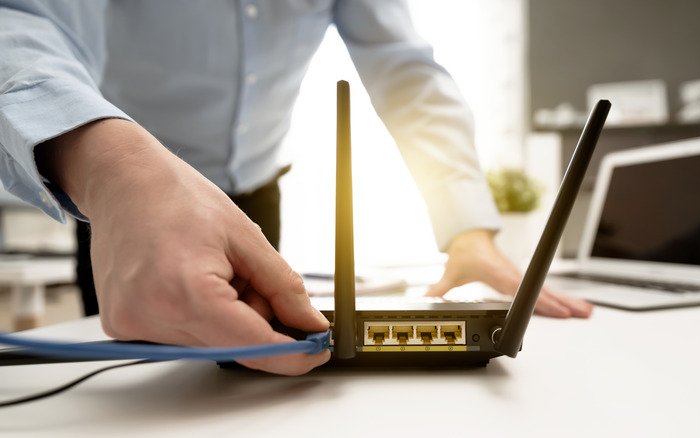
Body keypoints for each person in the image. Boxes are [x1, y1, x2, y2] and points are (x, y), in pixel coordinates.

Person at [0, 1, 592, 375]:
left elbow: (406, 70)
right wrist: (114, 168)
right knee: (165, 381)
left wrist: (468, 227)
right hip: (127, 195)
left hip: (258, 194)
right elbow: (23, 20)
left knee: (259, 364)